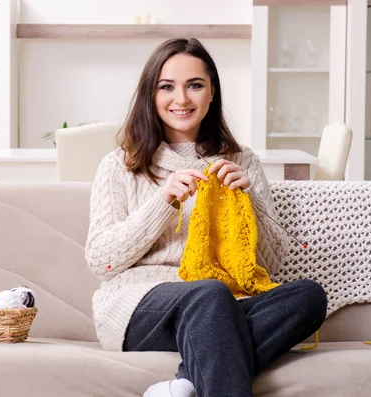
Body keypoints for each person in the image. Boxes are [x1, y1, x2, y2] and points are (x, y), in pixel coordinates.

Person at [84, 38, 328, 397]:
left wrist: (251, 203)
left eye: (194, 85)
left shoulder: (242, 161)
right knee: (210, 294)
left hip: (221, 308)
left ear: (211, 92)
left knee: (309, 296)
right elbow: (100, 262)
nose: (181, 99)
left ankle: (185, 383)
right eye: (167, 87)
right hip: (139, 307)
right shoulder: (120, 165)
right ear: (150, 95)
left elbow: (272, 263)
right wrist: (161, 202)